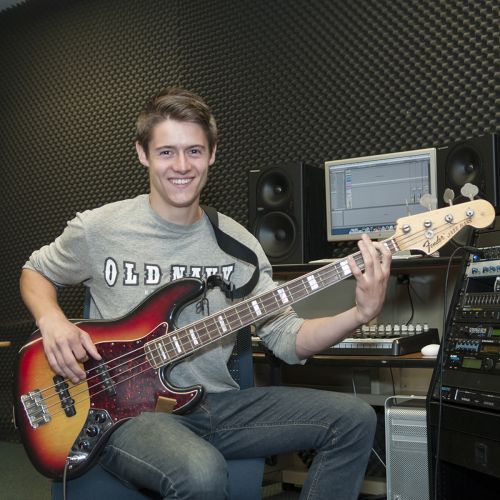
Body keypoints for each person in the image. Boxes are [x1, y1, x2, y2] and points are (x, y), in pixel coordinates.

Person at [20, 87, 392, 499]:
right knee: (201, 472)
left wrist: (358, 313)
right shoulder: (100, 229)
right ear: (142, 154)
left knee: (355, 420)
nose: (182, 166)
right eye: (166, 152)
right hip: (125, 412)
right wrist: (51, 321)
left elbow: (288, 340)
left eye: (194, 151)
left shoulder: (240, 246)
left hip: (216, 406)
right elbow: (35, 271)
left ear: (212, 154)